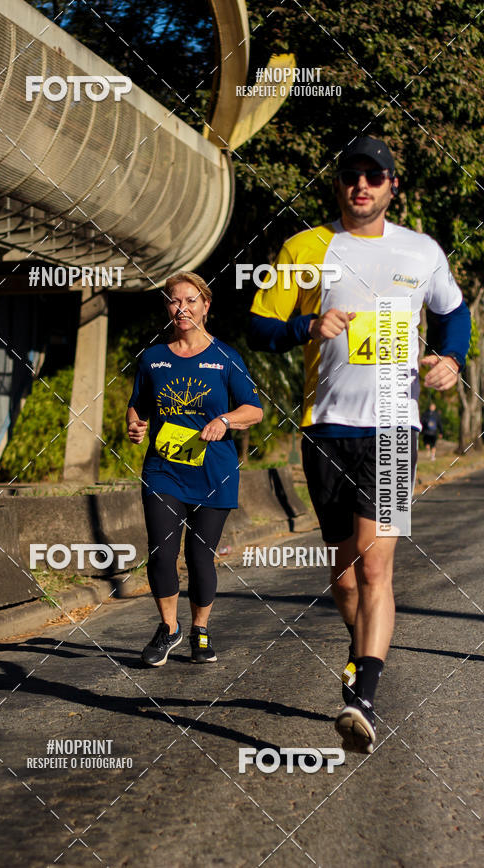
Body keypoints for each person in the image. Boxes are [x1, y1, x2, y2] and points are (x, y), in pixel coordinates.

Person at [249, 136, 470, 752]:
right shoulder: (306, 248)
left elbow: (453, 314)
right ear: (340, 184)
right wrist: (305, 325)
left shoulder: (420, 250)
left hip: (395, 429)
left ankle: (362, 694)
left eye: (375, 176)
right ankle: (361, 650)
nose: (363, 186)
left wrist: (451, 358)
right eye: (352, 176)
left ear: (392, 186)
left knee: (375, 565)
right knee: (344, 578)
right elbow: (259, 325)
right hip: (326, 428)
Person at [127, 271, 263, 667]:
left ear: (206, 306)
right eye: (174, 301)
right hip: (163, 469)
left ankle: (200, 630)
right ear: (167, 307)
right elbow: (140, 404)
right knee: (160, 552)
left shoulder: (225, 357)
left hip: (213, 472)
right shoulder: (153, 358)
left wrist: (224, 420)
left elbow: (253, 410)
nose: (181, 308)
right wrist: (134, 424)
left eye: (190, 300)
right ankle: (168, 628)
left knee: (200, 556)